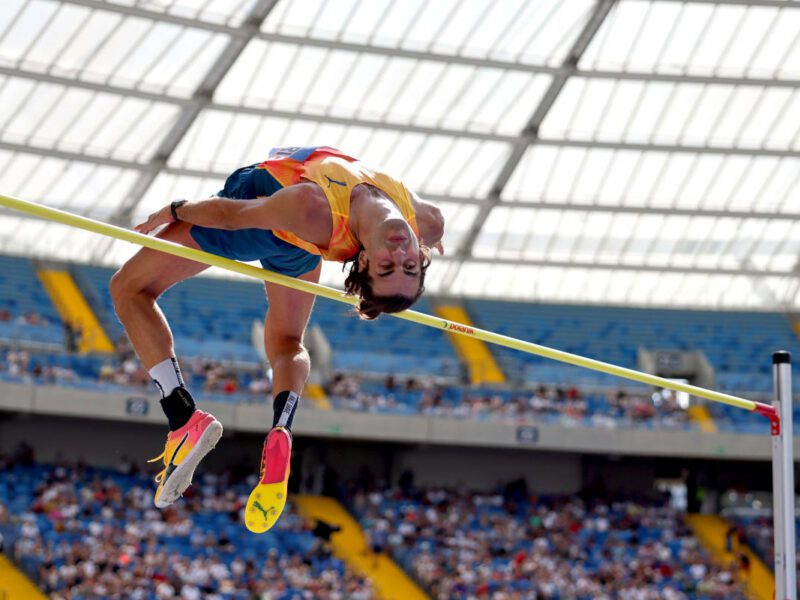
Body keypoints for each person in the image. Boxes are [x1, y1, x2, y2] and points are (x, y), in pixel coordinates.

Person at [110, 146, 445, 533]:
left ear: (366, 261)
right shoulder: (427, 222)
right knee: (287, 342)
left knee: (128, 289)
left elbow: (232, 216)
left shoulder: (313, 207)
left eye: (388, 265)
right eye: (407, 265)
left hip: (260, 217)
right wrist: (424, 249)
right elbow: (435, 229)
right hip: (299, 246)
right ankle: (282, 427)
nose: (401, 251)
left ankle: (183, 417)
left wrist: (175, 210)